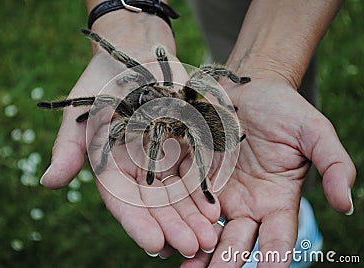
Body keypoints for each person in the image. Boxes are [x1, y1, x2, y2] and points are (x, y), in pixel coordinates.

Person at [40, 0, 356, 266]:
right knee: (224, 30)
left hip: (205, 127)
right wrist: (126, 24)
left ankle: (286, 215)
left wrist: (266, 72)